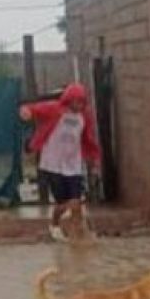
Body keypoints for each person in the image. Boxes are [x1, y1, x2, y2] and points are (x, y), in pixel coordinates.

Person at [19, 83, 100, 242]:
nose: (79, 105)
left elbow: (89, 139)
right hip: (52, 164)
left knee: (75, 202)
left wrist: (95, 161)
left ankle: (80, 233)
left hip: (73, 166)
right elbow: (33, 109)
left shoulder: (84, 117)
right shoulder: (55, 109)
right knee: (62, 203)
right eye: (76, 102)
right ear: (69, 100)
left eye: (82, 102)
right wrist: (26, 112)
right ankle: (55, 224)